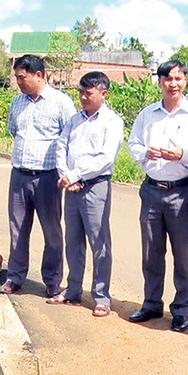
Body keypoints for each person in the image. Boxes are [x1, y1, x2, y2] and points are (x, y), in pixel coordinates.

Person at [127, 60, 188, 332]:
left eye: (177, 78)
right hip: (151, 190)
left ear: (185, 81)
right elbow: (133, 144)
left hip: (181, 191)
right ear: (160, 82)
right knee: (151, 252)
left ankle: (180, 310)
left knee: (182, 253)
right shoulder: (147, 114)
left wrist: (183, 155)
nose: (172, 84)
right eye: (167, 79)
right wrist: (145, 153)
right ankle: (152, 303)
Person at [47, 71, 123, 317]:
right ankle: (73, 290)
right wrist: (67, 175)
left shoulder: (112, 121)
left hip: (96, 186)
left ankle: (101, 297)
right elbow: (61, 146)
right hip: (71, 187)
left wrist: (76, 175)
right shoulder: (74, 120)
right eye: (80, 92)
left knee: (99, 242)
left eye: (88, 93)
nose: (82, 97)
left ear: (103, 94)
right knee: (73, 241)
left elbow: (105, 158)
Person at [0, 54, 76, 297]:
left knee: (52, 231)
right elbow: (15, 132)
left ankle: (53, 282)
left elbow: (71, 138)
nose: (18, 82)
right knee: (18, 229)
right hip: (20, 175)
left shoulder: (61, 103)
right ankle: (15, 277)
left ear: (38, 75)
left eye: (21, 77)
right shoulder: (17, 103)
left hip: (48, 178)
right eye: (16, 77)